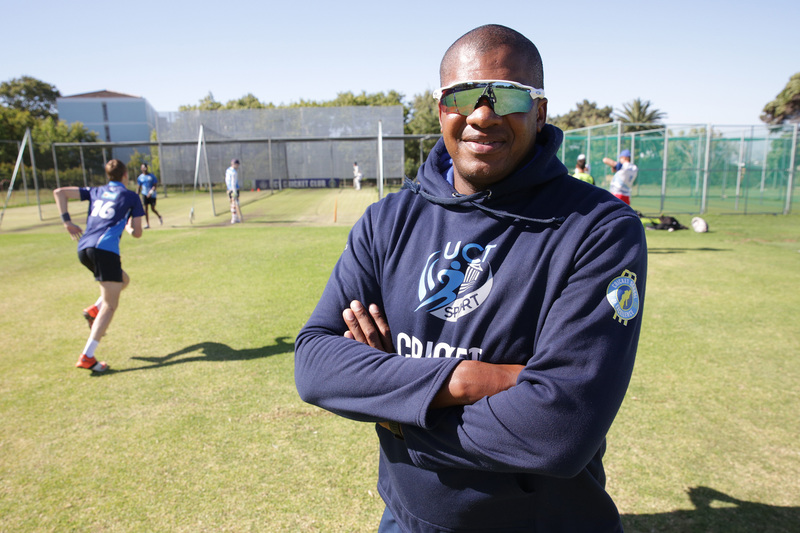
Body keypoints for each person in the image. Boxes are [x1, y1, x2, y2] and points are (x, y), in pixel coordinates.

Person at [294, 24, 647, 532]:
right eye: (463, 96)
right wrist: (468, 381)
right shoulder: (388, 219)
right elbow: (315, 363)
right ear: (441, 108)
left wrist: (395, 411)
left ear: (540, 111)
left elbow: (559, 430)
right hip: (406, 518)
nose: (483, 115)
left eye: (507, 96)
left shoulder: (599, 228)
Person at [54, 159, 144, 372]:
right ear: (125, 176)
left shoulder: (96, 191)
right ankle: (87, 356)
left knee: (123, 280)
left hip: (84, 248)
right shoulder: (131, 196)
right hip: (105, 250)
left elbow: (59, 192)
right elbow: (138, 232)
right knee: (110, 305)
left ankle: (94, 309)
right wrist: (130, 229)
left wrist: (67, 222)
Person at [136, 163, 163, 228]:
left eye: (145, 167)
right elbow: (139, 187)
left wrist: (150, 192)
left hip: (152, 195)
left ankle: (159, 216)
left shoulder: (151, 176)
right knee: (146, 209)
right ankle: (148, 224)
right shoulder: (140, 177)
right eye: (143, 167)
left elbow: (155, 185)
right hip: (144, 194)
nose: (144, 169)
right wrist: (136, 195)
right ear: (141, 169)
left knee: (153, 209)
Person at [225, 158, 242, 223]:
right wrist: (234, 191)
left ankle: (235, 217)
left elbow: (226, 180)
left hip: (229, 189)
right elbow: (233, 182)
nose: (238, 166)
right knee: (234, 203)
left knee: (232, 203)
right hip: (233, 189)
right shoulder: (234, 172)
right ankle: (234, 218)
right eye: (237, 165)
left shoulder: (228, 170)